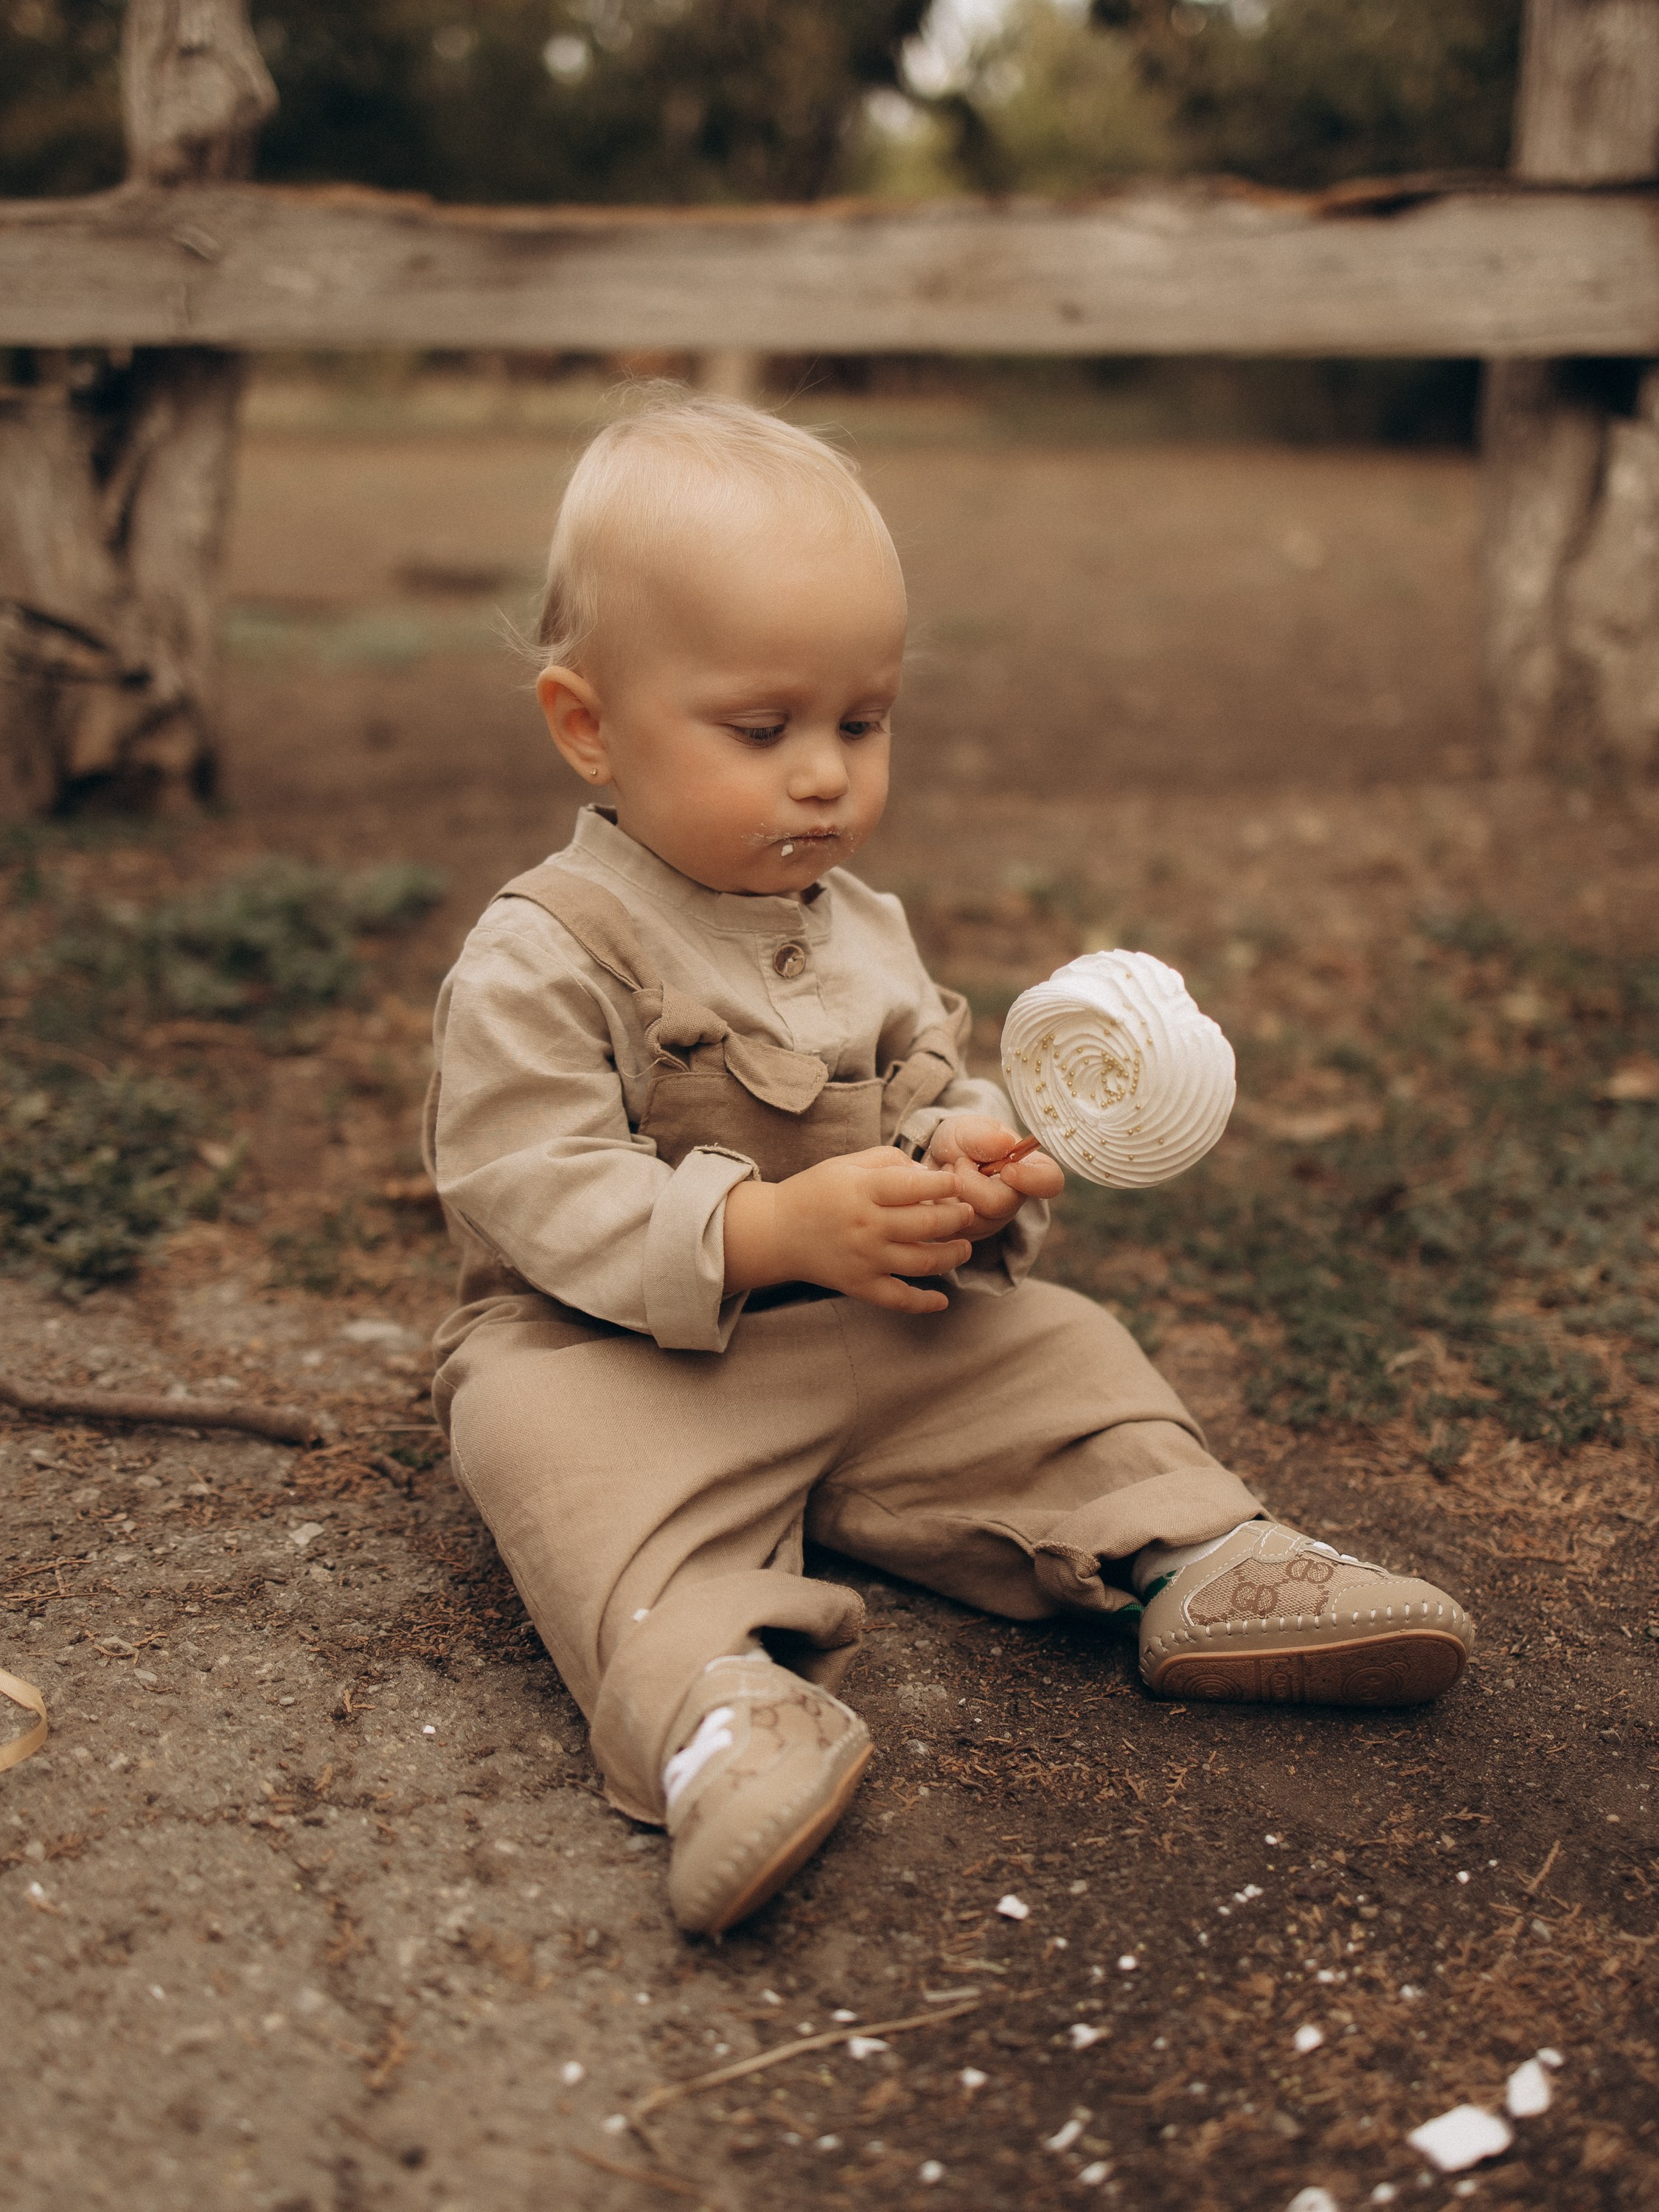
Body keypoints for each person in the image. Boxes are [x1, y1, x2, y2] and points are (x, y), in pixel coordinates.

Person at [424, 390, 1474, 1937]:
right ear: (590, 725)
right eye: (763, 728)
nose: (826, 777)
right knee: (529, 1443)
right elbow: (527, 1178)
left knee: (1061, 1348)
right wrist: (767, 1231)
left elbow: (921, 1090)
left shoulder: (866, 931)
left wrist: (962, 1167)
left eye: (863, 721)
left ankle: (1198, 1551)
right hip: (621, 1360)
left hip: (874, 1348)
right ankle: (719, 1704)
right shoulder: (546, 948)